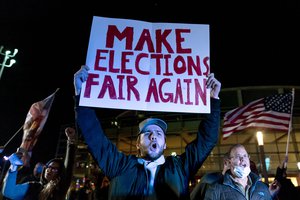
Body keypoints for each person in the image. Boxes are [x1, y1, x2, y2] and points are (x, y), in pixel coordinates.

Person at [73, 65, 221, 199]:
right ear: (137, 143)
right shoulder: (120, 165)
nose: (153, 136)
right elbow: (94, 137)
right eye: (147, 133)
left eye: (158, 133)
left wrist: (213, 100)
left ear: (164, 145)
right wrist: (81, 94)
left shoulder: (181, 168)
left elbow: (207, 140)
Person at [1, 127, 77, 200]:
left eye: (54, 169)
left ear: (60, 174)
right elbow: (9, 192)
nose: (49, 170)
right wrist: (14, 165)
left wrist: (71, 141)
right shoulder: (33, 186)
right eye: (48, 167)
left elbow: (69, 166)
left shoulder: (60, 188)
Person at [202, 144, 281, 200]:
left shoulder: (263, 187)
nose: (242, 159)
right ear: (229, 162)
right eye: (238, 156)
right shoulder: (215, 190)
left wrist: (270, 195)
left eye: (245, 156)